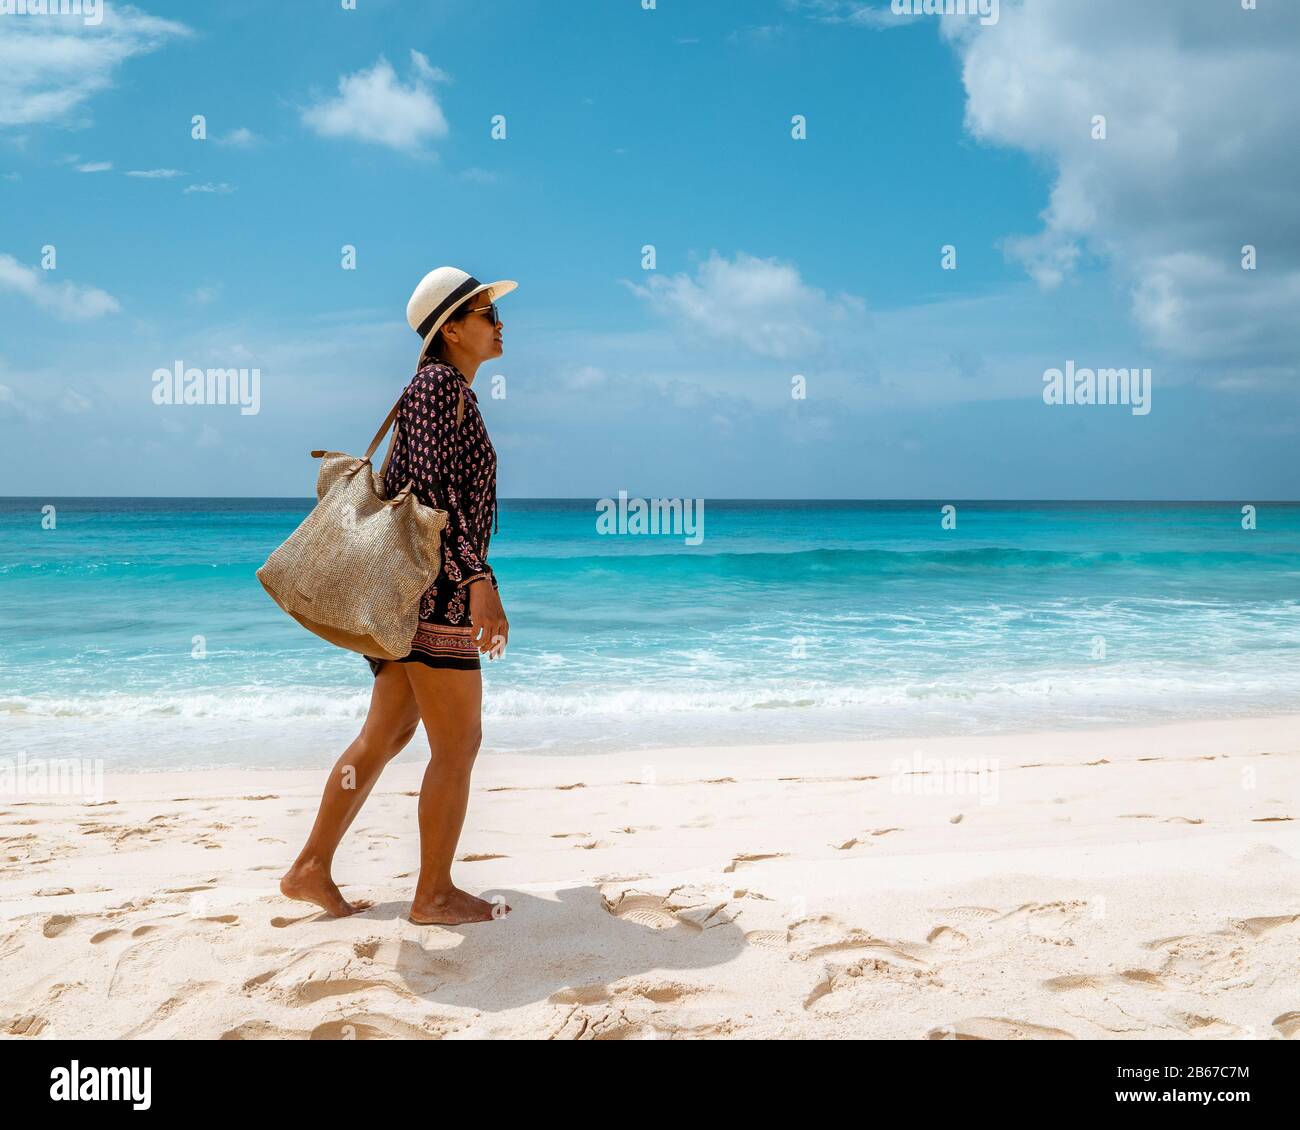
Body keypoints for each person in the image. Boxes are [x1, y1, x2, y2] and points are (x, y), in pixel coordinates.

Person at [280, 267, 514, 925]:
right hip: (432, 593)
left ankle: (309, 868)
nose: (500, 323)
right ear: (453, 328)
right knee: (458, 743)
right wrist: (478, 581)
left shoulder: (446, 391)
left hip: (412, 592)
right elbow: (432, 502)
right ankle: (434, 895)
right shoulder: (437, 387)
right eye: (487, 313)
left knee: (386, 733)